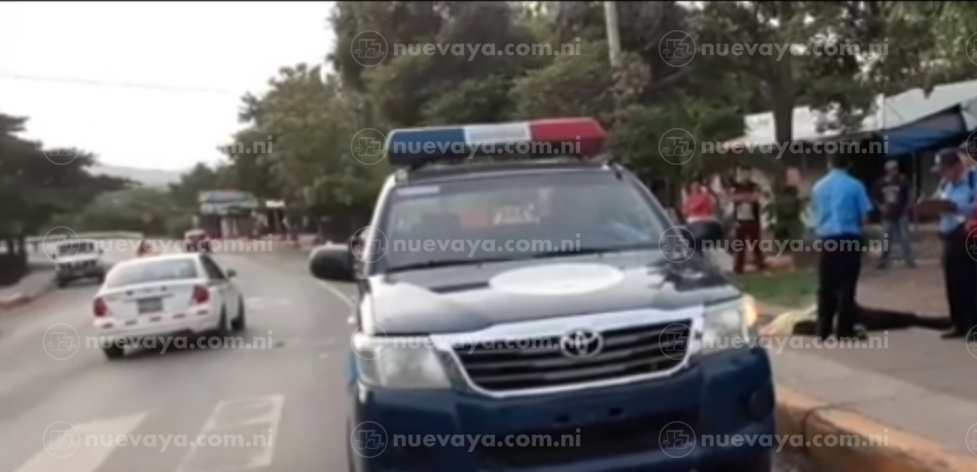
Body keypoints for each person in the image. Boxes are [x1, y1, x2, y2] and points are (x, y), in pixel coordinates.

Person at [811, 154, 873, 340]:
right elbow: (865, 216)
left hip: (827, 239)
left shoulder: (818, 187)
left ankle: (823, 328)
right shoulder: (855, 185)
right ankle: (844, 329)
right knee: (847, 284)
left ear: (829, 163)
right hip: (849, 237)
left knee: (826, 284)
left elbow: (814, 214)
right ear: (849, 164)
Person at [927, 148, 977, 339]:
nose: (942, 174)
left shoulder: (972, 180)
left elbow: (974, 207)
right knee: (953, 281)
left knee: (969, 281)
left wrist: (955, 206)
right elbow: (939, 200)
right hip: (949, 234)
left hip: (968, 233)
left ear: (957, 166)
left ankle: (973, 324)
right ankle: (958, 323)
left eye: (945, 169)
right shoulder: (945, 184)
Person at [874, 160, 916, 269]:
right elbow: (875, 197)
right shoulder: (881, 183)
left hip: (901, 213)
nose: (894, 172)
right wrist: (880, 207)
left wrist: (908, 206)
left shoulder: (903, 180)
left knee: (905, 237)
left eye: (896, 169)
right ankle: (883, 260)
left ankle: (909, 259)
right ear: (887, 171)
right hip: (887, 215)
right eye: (892, 170)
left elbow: (910, 194)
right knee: (886, 238)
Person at [729, 165, 767, 273]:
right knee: (740, 246)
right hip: (740, 220)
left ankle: (761, 266)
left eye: (747, 173)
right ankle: (738, 268)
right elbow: (733, 199)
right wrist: (747, 197)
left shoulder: (755, 186)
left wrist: (742, 197)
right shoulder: (736, 187)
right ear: (740, 174)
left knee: (756, 245)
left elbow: (755, 198)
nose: (745, 175)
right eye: (743, 173)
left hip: (753, 220)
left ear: (750, 174)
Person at [682, 179, 722, 252]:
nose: (695, 187)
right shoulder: (690, 198)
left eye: (697, 186)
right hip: (699, 222)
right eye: (694, 186)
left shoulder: (703, 197)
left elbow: (686, 211)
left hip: (700, 221)